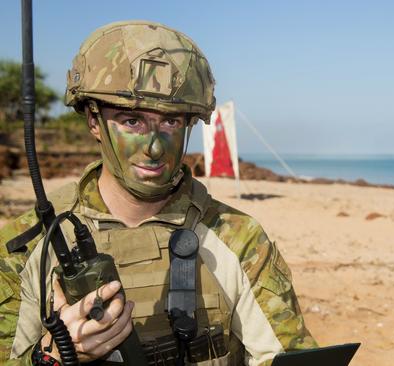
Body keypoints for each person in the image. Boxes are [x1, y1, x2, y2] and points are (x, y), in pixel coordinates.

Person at [0, 20, 316, 365]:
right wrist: (56, 353)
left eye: (171, 122)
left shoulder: (239, 239)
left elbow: (287, 355)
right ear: (93, 121)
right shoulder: (30, 245)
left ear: (190, 125)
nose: (153, 147)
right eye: (131, 121)